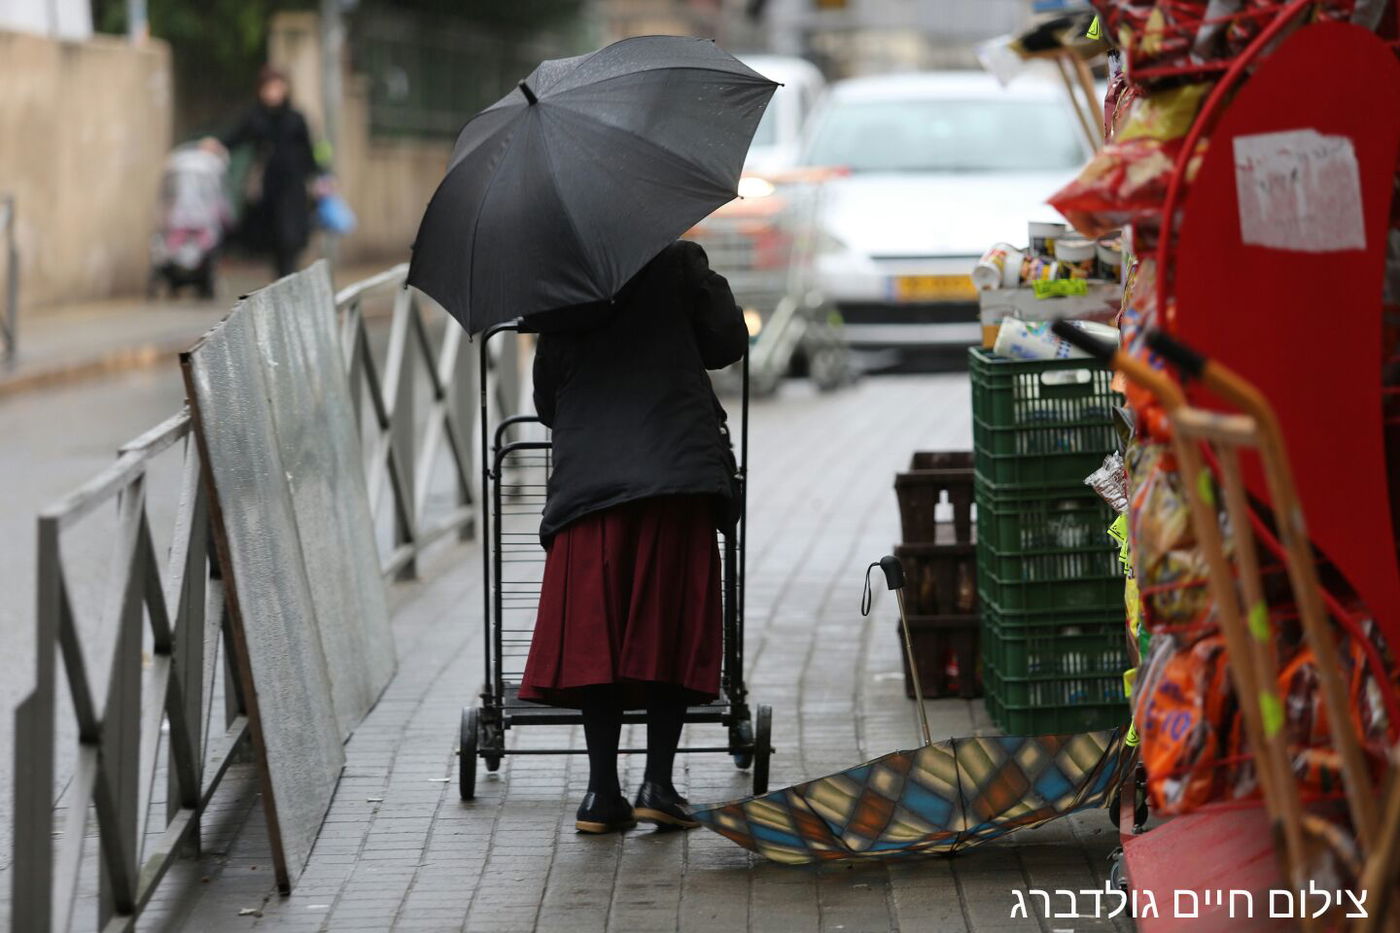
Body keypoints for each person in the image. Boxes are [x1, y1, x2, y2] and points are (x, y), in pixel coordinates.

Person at [520, 239, 748, 835]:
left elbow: (546, 401)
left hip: (588, 490)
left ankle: (601, 794)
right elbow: (727, 343)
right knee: (666, 631)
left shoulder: (561, 275)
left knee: (597, 638)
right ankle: (659, 787)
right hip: (674, 477)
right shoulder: (676, 261)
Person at [205, 66, 318, 278]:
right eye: (269, 88)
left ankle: (288, 277)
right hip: (268, 186)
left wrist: (318, 177)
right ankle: (282, 279)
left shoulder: (296, 118)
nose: (273, 93)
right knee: (273, 237)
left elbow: (308, 151)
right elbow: (236, 137)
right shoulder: (255, 117)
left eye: (277, 87)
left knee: (290, 237)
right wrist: (216, 144)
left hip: (292, 185)